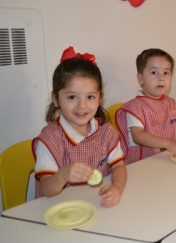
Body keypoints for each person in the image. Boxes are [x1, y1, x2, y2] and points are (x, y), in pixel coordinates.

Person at [33, 46, 127, 207]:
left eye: (90, 97)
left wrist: (117, 187)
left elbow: (119, 166)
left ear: (99, 99)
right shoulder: (50, 139)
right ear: (56, 99)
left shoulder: (106, 131)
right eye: (72, 97)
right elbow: (46, 188)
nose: (82, 106)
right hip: (59, 209)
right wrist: (62, 176)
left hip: (95, 203)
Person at [116, 48, 176, 164]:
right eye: (154, 72)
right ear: (141, 79)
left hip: (166, 159)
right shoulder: (135, 107)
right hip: (141, 164)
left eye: (166, 73)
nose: (161, 77)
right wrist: (167, 143)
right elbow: (138, 135)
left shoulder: (170, 103)